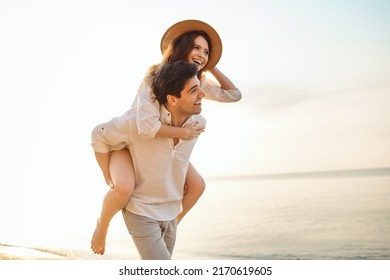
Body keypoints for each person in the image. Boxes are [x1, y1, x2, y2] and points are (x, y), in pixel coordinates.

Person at [91, 19, 241, 255]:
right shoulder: (154, 78)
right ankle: (103, 226)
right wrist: (184, 133)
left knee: (197, 186)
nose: (201, 54)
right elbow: (146, 126)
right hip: (130, 142)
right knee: (123, 188)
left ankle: (168, 225)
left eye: (206, 51)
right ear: (182, 47)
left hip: (165, 143)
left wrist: (211, 65)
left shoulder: (198, 81)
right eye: (197, 48)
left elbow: (233, 95)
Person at [91, 61, 206, 259]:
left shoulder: (198, 124)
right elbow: (98, 135)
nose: (202, 95)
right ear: (172, 99)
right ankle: (102, 225)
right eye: (194, 90)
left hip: (171, 213)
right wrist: (107, 175)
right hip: (141, 210)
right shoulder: (138, 124)